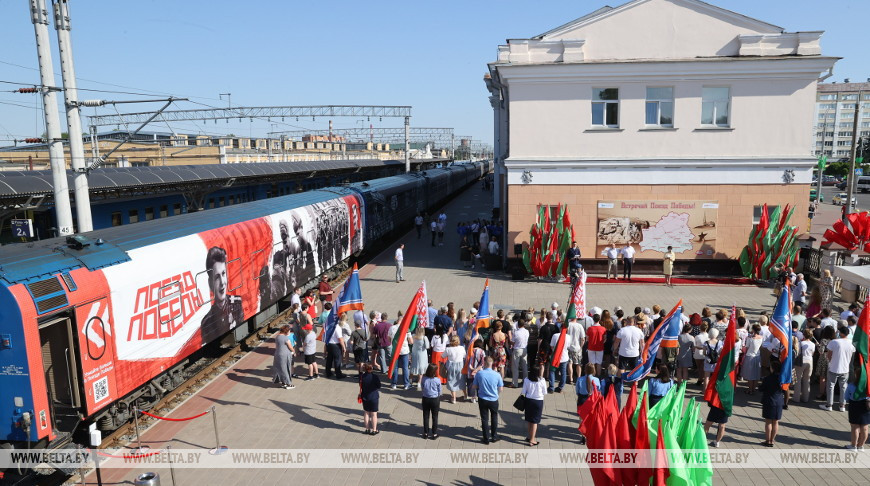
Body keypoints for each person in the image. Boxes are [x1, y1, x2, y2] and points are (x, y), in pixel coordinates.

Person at [200, 246, 244, 343]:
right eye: (216, 277)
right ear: (210, 283)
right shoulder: (206, 322)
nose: (222, 282)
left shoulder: (237, 303)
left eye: (223, 274)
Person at [820, 326, 856, 412]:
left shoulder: (834, 342)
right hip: (845, 368)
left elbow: (829, 355)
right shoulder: (851, 343)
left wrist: (830, 362)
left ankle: (829, 405)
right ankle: (842, 405)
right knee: (843, 387)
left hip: (833, 367)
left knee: (830, 386)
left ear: (841, 333)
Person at [472, 357, 504, 444]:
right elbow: (501, 389)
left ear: (484, 363)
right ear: (492, 364)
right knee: (494, 417)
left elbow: (474, 386)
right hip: (494, 399)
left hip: (482, 399)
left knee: (484, 418)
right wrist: (496, 394)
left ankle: (485, 439)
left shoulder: (479, 374)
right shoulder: (497, 375)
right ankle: (494, 436)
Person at [761, 360, 785, 447]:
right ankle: (772, 440)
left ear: (772, 368)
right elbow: (785, 389)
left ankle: (768, 440)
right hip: (778, 402)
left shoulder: (767, 378)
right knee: (776, 422)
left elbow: (761, 388)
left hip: (769, 401)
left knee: (768, 422)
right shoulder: (782, 378)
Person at [522, 365, 548, 446]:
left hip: (528, 401)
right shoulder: (542, 380)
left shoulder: (526, 380)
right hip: (538, 402)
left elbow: (523, 391)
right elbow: (545, 392)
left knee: (529, 420)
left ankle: (529, 436)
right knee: (535, 422)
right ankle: (532, 440)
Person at [847, 368, 870, 450]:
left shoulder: (851, 385)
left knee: (855, 427)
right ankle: (861, 446)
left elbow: (846, 397)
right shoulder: (868, 387)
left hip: (854, 406)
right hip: (866, 407)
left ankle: (853, 446)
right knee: (865, 427)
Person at [389, 317, 414, 390]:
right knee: (405, 368)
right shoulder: (406, 329)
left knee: (395, 368)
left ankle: (394, 384)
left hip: (395, 351)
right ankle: (406, 384)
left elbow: (389, 339)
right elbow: (411, 341)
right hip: (404, 351)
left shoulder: (392, 328)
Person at [420, 363, 442, 439]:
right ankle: (434, 433)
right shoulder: (437, 380)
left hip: (425, 398)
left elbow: (422, 387)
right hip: (435, 399)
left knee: (425, 416)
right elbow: (439, 391)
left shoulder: (424, 378)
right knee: (435, 417)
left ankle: (425, 433)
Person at [815, 325, 836, 401]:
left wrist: (818, 346)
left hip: (824, 358)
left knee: (822, 377)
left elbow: (821, 351)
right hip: (832, 359)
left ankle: (821, 393)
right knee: (829, 378)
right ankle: (828, 393)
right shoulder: (834, 340)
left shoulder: (823, 340)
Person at [359, 363, 381, 435]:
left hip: (365, 397)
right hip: (374, 397)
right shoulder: (375, 377)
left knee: (366, 413)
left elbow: (360, 385)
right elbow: (379, 386)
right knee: (374, 414)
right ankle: (374, 430)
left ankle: (367, 429)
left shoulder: (362, 376)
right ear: (371, 369)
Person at [794, 329, 815, 403]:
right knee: (807, 380)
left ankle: (796, 398)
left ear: (803, 335)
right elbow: (812, 353)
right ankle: (805, 398)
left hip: (801, 360)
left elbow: (797, 352)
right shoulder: (813, 344)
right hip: (810, 361)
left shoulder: (801, 343)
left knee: (798, 379)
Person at [323, 313, 347, 380]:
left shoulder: (328, 325)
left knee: (329, 359)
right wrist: (344, 347)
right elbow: (340, 338)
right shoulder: (337, 327)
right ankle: (338, 374)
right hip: (335, 345)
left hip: (328, 344)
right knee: (337, 360)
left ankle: (328, 372)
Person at [444, 335, 467, 403]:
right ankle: (465, 395)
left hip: (451, 366)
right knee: (462, 380)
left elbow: (443, 356)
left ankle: (454, 398)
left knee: (451, 381)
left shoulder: (448, 349)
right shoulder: (462, 348)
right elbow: (465, 356)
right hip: (460, 366)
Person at [742, 324, 763, 394]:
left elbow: (747, 347)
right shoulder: (761, 338)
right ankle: (753, 389)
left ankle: (750, 389)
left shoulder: (750, 338)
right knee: (756, 374)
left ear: (753, 330)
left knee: (750, 375)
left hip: (750, 357)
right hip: (757, 356)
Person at [548, 324, 570, 393]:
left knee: (552, 371)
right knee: (563, 373)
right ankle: (560, 387)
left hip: (555, 357)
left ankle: (551, 387)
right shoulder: (568, 337)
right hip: (564, 357)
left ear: (560, 328)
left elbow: (551, 346)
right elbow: (568, 346)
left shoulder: (555, 335)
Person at [273, 325, 296, 389]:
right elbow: (290, 346)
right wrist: (294, 351)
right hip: (285, 355)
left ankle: (283, 382)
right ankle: (288, 384)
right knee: (286, 369)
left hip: (278, 354)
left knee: (281, 368)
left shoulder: (277, 336)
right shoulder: (285, 338)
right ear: (286, 331)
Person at [511, 319, 529, 388]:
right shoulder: (527, 331)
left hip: (517, 349)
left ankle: (515, 383)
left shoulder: (516, 332)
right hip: (524, 349)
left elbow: (513, 341)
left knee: (515, 366)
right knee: (524, 366)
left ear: (518, 325)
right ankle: (525, 381)